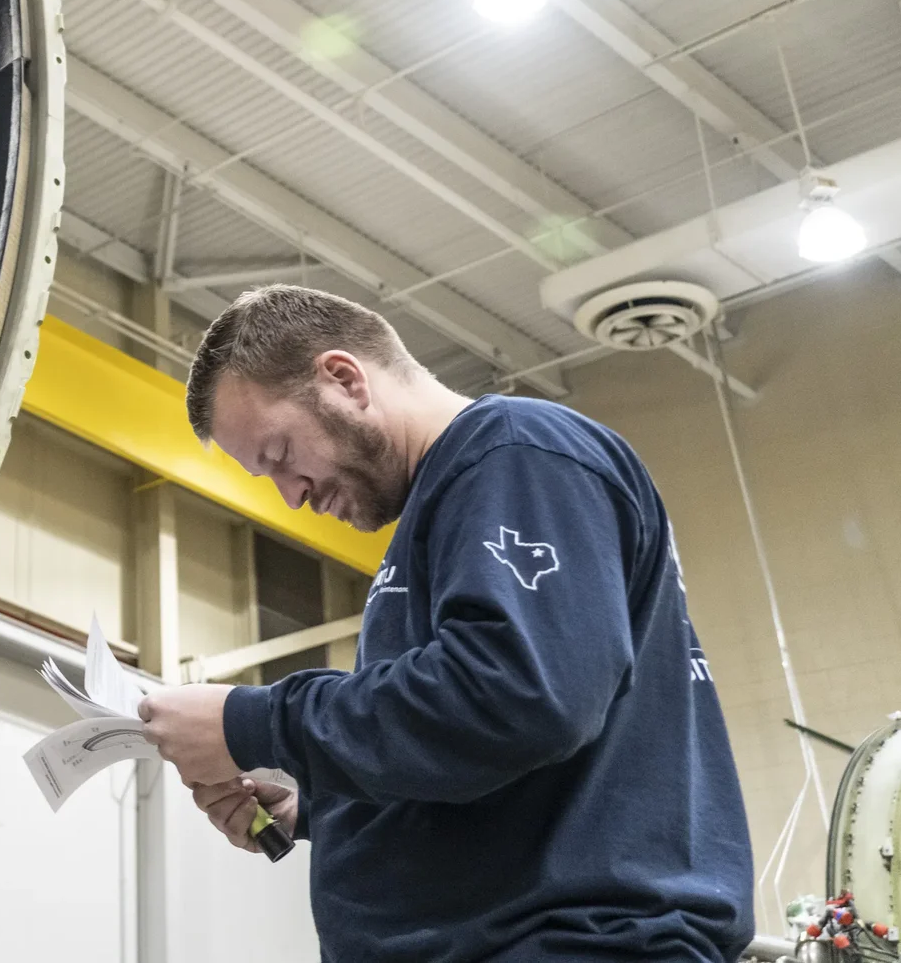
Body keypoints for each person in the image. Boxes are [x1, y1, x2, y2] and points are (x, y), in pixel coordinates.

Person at [134, 285, 752, 962]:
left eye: (281, 456)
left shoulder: (518, 453)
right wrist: (319, 811)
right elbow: (484, 748)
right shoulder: (448, 509)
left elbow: (519, 695)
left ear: (343, 379)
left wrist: (251, 722)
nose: (292, 496)